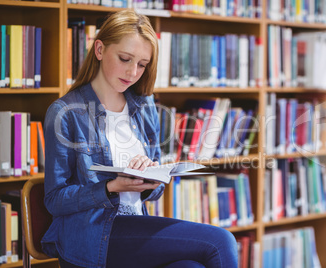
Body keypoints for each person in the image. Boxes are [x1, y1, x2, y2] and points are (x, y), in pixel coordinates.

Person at [41, 9, 238, 268]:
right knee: (220, 241)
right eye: (125, 59)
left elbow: (155, 191)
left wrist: (150, 177)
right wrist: (111, 187)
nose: (133, 72)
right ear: (99, 50)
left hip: (135, 226)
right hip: (93, 235)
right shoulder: (65, 112)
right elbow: (55, 200)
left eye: (142, 64)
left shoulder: (143, 105)